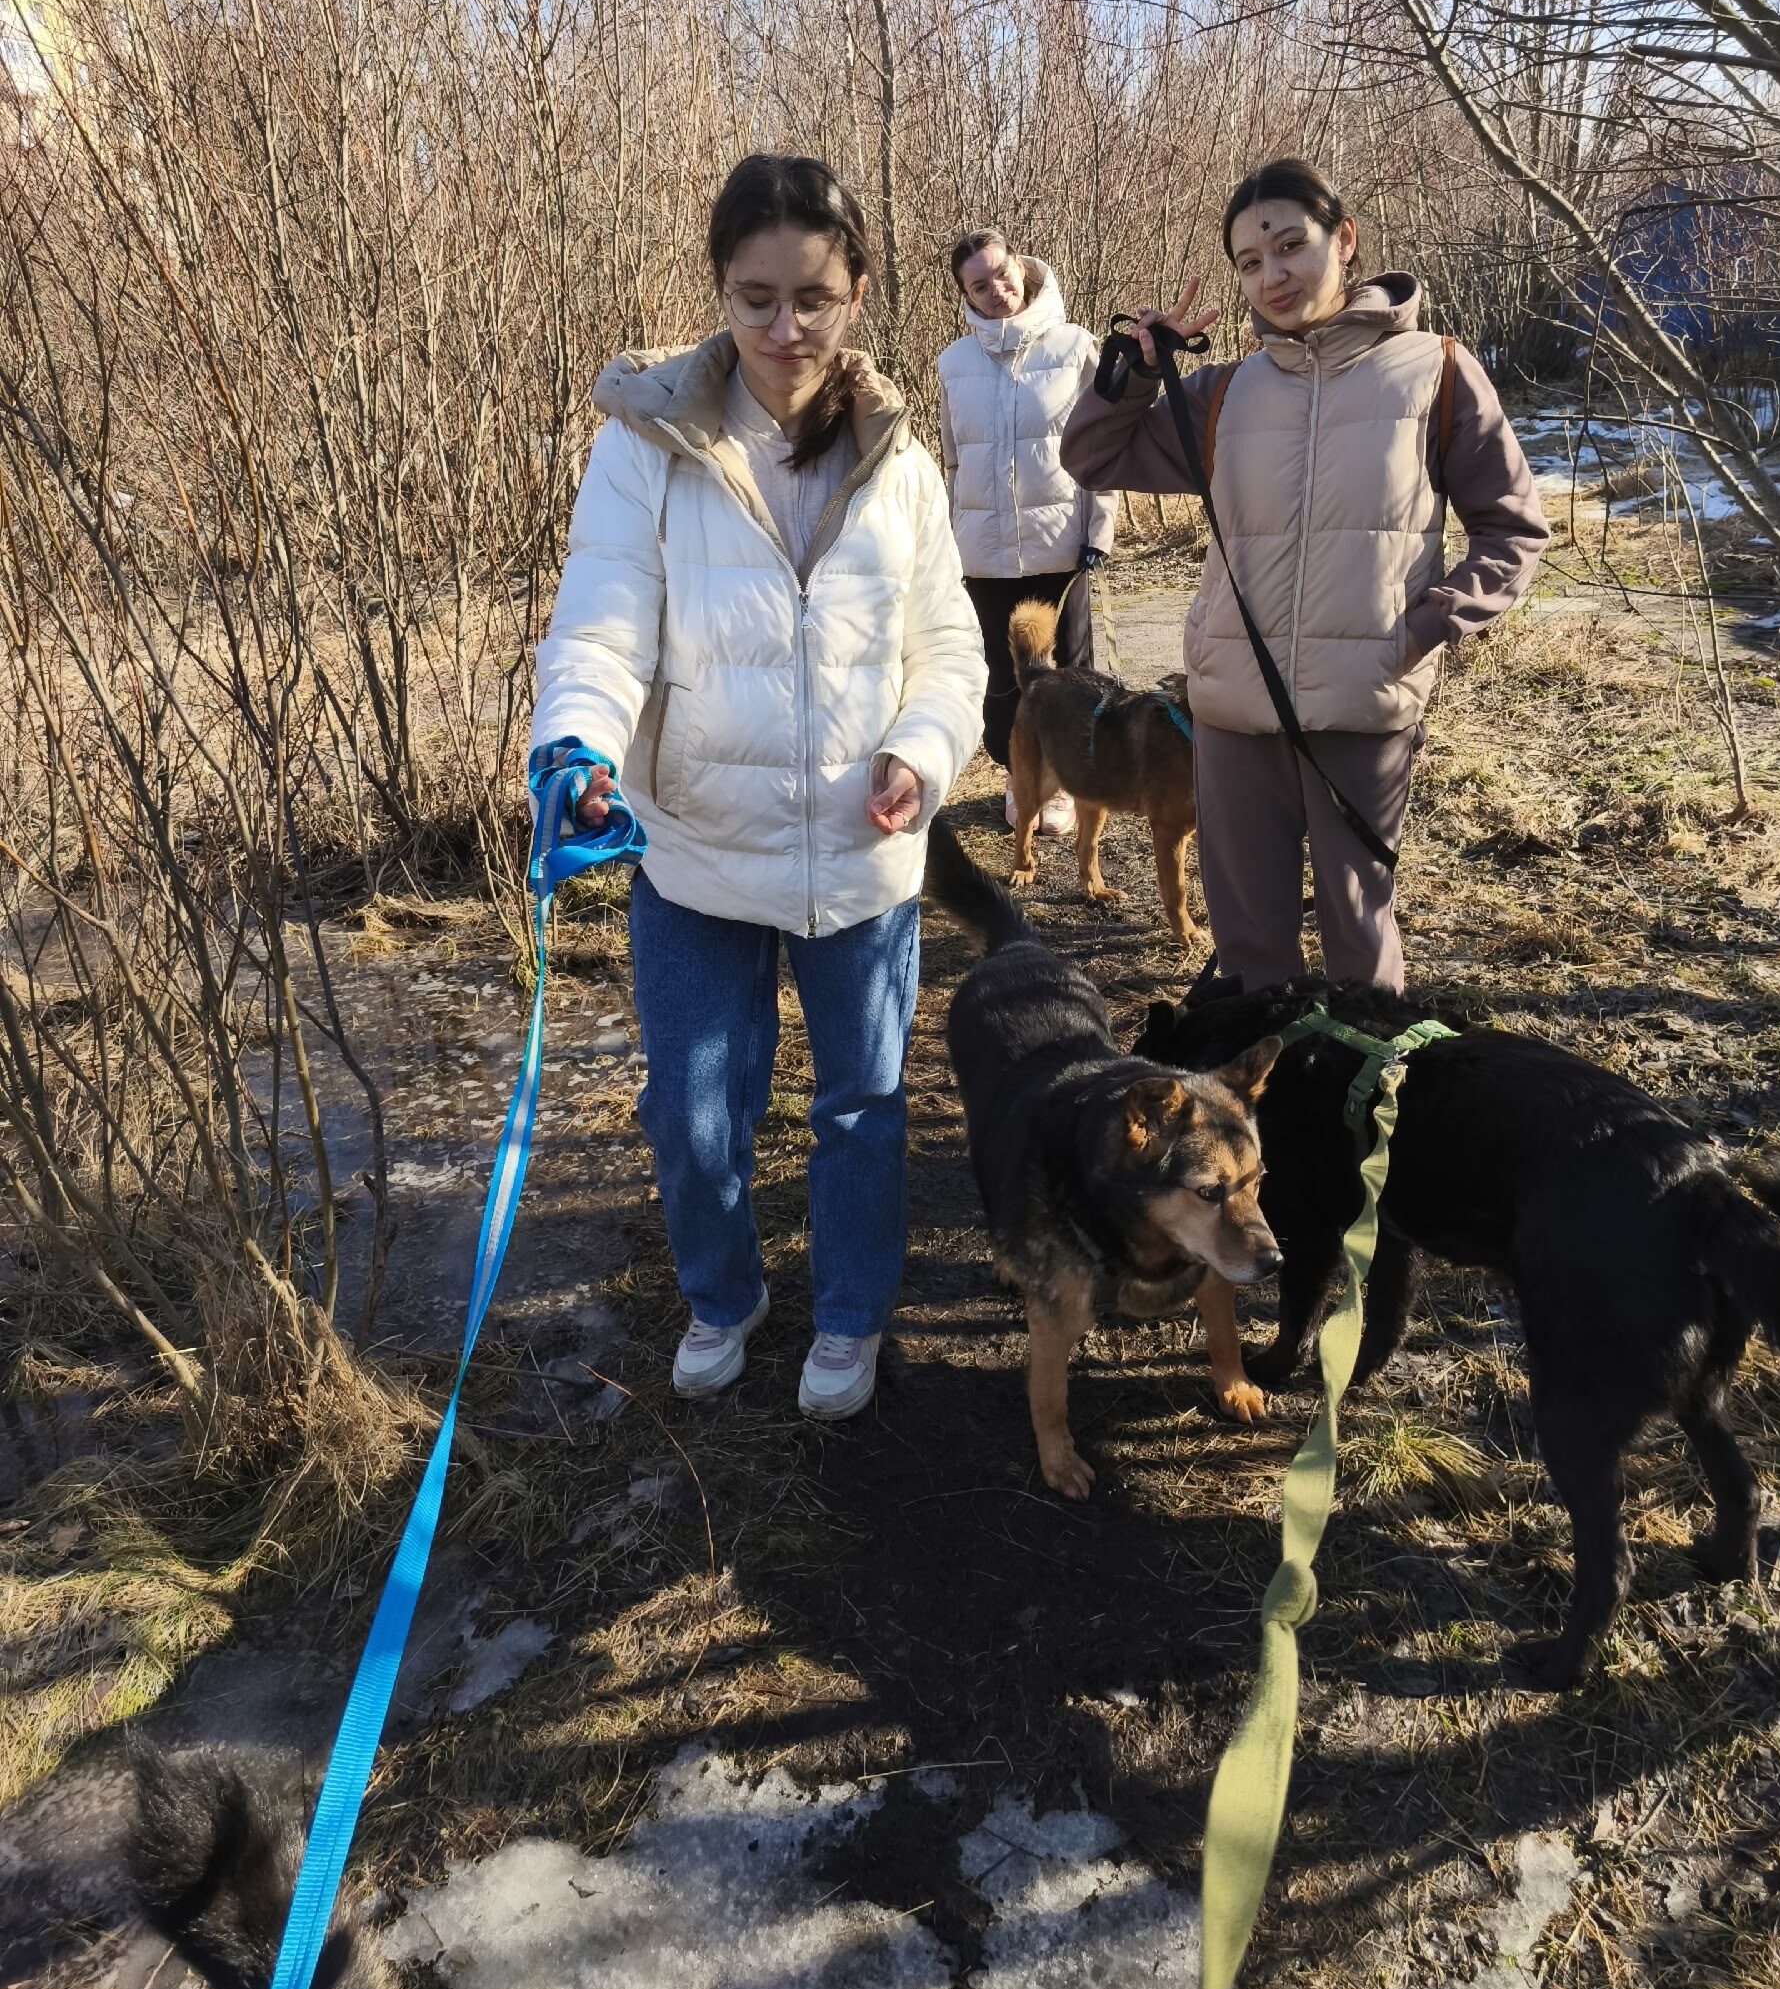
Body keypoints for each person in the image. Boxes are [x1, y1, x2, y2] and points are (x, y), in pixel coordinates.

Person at [534, 153, 985, 1418]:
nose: (787, 329)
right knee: (691, 1111)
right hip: (696, 844)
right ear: (720, 290)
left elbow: (949, 649)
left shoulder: (898, 459)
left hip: (860, 849)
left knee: (862, 1107)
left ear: (859, 294)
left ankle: (848, 1315)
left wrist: (922, 749)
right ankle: (723, 1295)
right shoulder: (647, 446)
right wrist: (576, 744)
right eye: (757, 298)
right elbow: (601, 625)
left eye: (815, 299)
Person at [1061, 157, 1548, 993]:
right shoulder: (1224, 395)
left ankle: (1369, 1078)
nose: (1273, 276)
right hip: (1231, 711)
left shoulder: (1435, 372)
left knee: (1360, 943)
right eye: (1250, 261)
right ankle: (1266, 1078)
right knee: (1251, 952)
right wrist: (1136, 372)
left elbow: (1513, 527)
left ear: (1344, 239)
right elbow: (1093, 456)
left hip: (1364, 706)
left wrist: (1424, 626)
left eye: (1291, 246)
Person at [936, 229, 1117, 835]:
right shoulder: (953, 364)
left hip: (1059, 543)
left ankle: (1064, 782)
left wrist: (1099, 529)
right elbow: (953, 461)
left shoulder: (1075, 347)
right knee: (1002, 672)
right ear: (965, 295)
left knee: (1066, 672)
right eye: (978, 286)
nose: (996, 290)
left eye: (1001, 273)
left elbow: (1100, 449)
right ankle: (1021, 779)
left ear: (1022, 267)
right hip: (983, 552)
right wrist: (951, 538)